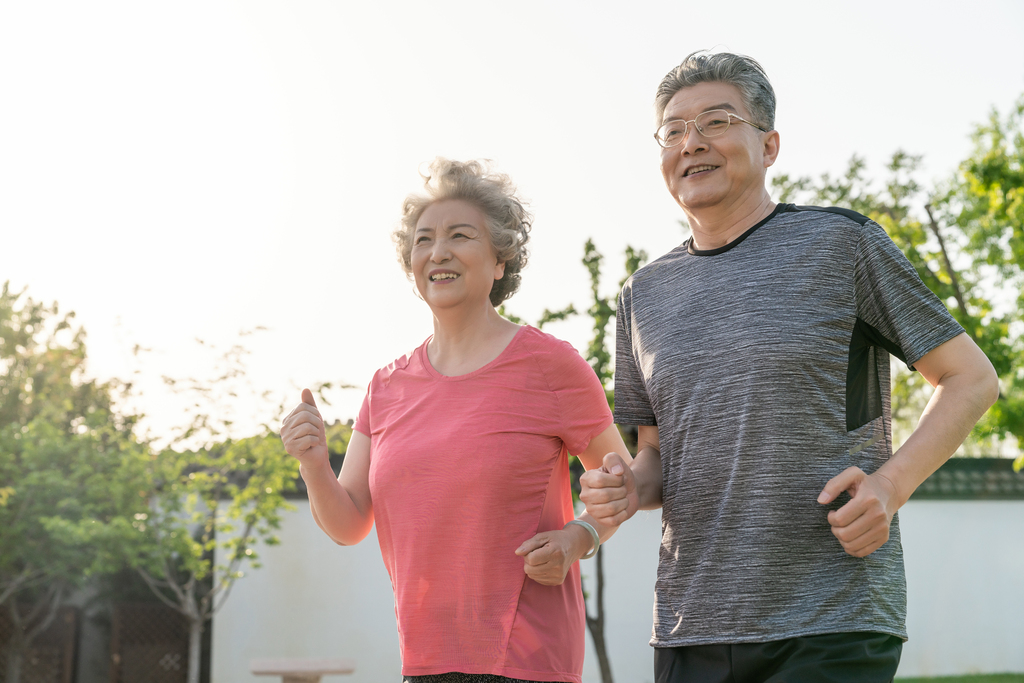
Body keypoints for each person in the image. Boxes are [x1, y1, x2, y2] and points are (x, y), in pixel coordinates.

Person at [579, 51, 1000, 683]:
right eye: (673, 130)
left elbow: (971, 377)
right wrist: (622, 490)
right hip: (692, 621)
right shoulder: (643, 293)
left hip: (833, 615)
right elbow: (657, 463)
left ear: (769, 144)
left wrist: (891, 485)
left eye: (717, 121)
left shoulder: (842, 244)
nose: (691, 142)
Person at [280, 158, 631, 683]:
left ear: (499, 261)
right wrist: (312, 464)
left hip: (526, 663)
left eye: (459, 235)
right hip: (423, 661)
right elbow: (349, 522)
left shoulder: (551, 365)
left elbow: (620, 480)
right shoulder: (385, 386)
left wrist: (577, 538)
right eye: (423, 240)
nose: (437, 251)